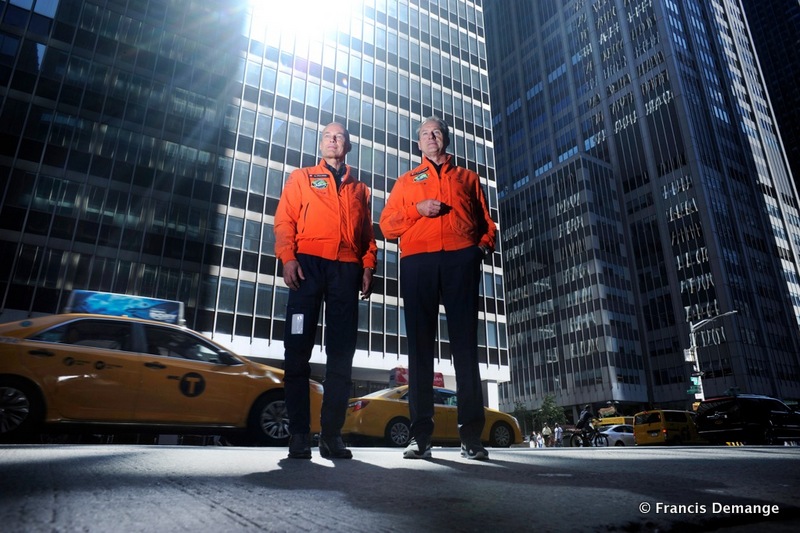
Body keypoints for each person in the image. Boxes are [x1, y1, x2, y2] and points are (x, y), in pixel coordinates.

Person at [379, 116, 497, 461]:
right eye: (425, 134)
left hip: (462, 259)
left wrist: (481, 248)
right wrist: (417, 209)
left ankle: (471, 437)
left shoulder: (468, 178)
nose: (431, 137)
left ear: (445, 139)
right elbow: (387, 226)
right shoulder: (405, 182)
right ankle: (420, 437)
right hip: (418, 261)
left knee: (465, 349)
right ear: (418, 144)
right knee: (419, 351)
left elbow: (488, 223)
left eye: (437, 132)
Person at [274, 122, 378, 460]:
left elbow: (368, 236)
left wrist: (368, 265)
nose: (333, 140)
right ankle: (299, 434)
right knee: (297, 349)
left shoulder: (360, 189)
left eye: (340, 137)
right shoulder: (301, 177)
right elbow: (284, 221)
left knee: (341, 353)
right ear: (322, 144)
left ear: (348, 146)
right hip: (307, 267)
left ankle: (331, 435)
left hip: (346, 271)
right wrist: (288, 258)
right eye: (327, 136)